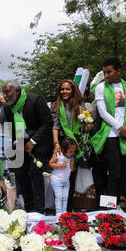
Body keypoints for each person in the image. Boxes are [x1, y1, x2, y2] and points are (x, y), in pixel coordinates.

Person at [0, 80, 53, 213]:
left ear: (17, 91)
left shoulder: (36, 100)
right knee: (21, 175)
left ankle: (40, 211)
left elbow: (48, 122)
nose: (4, 96)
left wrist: (33, 142)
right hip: (20, 145)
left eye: (7, 92)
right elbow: (10, 128)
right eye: (3, 93)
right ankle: (29, 209)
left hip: (38, 144)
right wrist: (17, 143)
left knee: (35, 174)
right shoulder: (7, 107)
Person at [91, 57, 126, 203]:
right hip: (110, 134)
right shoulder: (100, 87)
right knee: (113, 172)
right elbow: (103, 112)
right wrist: (119, 127)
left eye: (109, 72)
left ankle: (117, 205)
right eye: (104, 72)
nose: (106, 75)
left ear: (118, 71)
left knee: (124, 172)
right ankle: (108, 208)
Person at [51, 79, 92, 210]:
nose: (64, 91)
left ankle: (69, 207)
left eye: (67, 89)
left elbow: (87, 122)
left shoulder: (81, 106)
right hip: (64, 144)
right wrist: (56, 143)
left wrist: (88, 126)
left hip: (78, 144)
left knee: (72, 175)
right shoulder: (56, 106)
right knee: (61, 174)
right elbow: (55, 126)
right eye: (62, 89)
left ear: (73, 90)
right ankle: (59, 209)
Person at [49, 137, 77, 217]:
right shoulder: (58, 154)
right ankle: (58, 212)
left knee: (65, 196)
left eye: (74, 151)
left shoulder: (71, 158)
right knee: (59, 196)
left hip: (66, 181)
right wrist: (60, 165)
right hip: (56, 180)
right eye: (70, 151)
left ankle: (64, 212)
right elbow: (50, 163)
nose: (72, 153)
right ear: (64, 150)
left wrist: (72, 166)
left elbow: (72, 170)